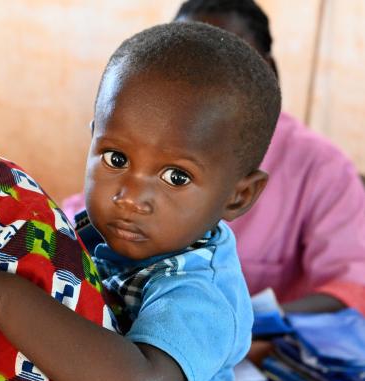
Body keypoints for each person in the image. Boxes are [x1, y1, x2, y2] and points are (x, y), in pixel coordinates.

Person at [0, 19, 281, 381]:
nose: (130, 196)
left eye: (176, 177)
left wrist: (0, 296)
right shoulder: (91, 231)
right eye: (116, 159)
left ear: (239, 195)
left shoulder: (202, 293)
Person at [64, 0, 365, 316]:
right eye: (180, 60)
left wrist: (254, 326)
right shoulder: (137, 155)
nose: (198, 82)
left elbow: (352, 286)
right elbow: (74, 221)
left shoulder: (322, 168)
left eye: (177, 177)